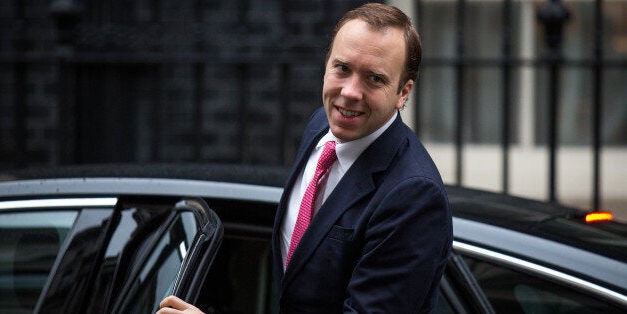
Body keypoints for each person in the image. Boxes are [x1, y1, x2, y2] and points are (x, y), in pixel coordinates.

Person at [158, 3, 451, 313]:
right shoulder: (321, 127)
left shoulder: (413, 197)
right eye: (342, 68)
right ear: (326, 66)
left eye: (374, 79)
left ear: (403, 93)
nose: (351, 92)